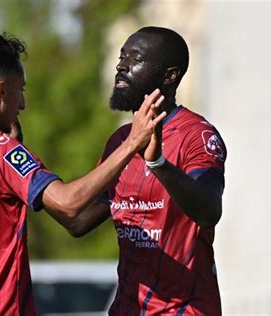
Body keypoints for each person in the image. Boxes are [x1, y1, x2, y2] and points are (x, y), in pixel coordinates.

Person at [0, 34, 167, 315]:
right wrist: (132, 143)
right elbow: (69, 204)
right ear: (1, 91)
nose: (22, 104)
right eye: (20, 90)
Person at [63, 27, 227, 315]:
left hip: (183, 309)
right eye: (121, 56)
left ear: (169, 76)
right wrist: (22, 176)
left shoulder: (196, 135)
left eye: (134, 58)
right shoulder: (120, 140)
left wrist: (158, 162)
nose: (121, 65)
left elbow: (209, 210)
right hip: (127, 307)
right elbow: (78, 221)